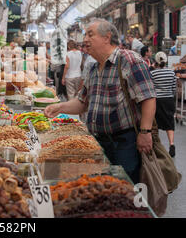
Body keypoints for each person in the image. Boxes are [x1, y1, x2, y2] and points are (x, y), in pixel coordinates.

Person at [45, 19, 156, 184]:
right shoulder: (93, 68)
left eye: (90, 35)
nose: (85, 40)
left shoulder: (128, 59)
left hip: (125, 143)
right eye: (85, 36)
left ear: (107, 37)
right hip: (99, 142)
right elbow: (83, 102)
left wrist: (145, 132)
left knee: (125, 188)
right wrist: (59, 107)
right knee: (106, 189)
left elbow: (148, 97)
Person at [152, 52, 177, 157]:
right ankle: (171, 144)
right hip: (169, 100)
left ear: (156, 61)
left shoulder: (153, 74)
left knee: (156, 122)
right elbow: (174, 88)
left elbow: (151, 88)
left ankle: (158, 146)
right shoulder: (172, 73)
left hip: (158, 100)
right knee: (169, 122)